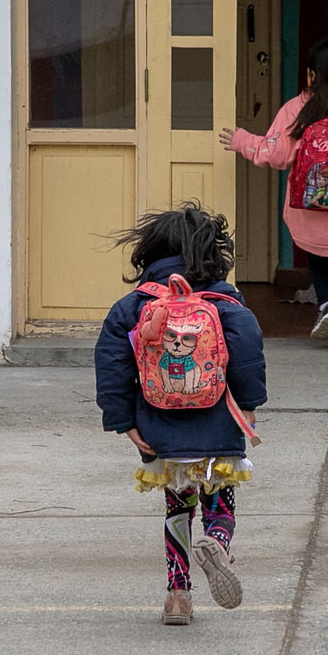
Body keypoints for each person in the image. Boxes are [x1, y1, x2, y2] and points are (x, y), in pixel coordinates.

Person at [94, 203, 267, 625]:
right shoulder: (223, 301)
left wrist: (123, 420)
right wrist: (248, 406)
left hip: (159, 428)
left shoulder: (135, 305)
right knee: (219, 502)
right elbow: (247, 352)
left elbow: (111, 361)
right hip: (218, 425)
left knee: (177, 508)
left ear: (151, 250)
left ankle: (177, 596)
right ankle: (218, 543)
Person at [220, 37, 328, 356]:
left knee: (317, 254)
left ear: (312, 74)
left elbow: (276, 154)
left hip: (311, 205)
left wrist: (242, 140)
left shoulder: (298, 109)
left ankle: (326, 306)